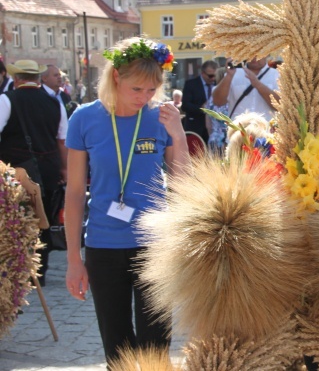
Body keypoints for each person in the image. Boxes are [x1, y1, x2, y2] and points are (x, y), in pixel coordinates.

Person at [64, 37, 189, 366]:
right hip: (104, 245)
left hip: (154, 244)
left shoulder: (161, 117)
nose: (145, 98)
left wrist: (177, 134)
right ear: (116, 77)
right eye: (137, 90)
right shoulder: (84, 119)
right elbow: (75, 193)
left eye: (151, 90)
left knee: (155, 344)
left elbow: (184, 183)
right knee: (116, 345)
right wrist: (74, 260)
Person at [0, 60, 68, 286]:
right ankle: (40, 271)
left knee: (17, 221)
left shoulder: (6, 100)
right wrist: (64, 169)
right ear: (38, 79)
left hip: (16, 171)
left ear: (17, 79)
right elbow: (62, 141)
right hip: (48, 171)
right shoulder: (54, 103)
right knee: (43, 220)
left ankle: (19, 270)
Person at [212, 56, 279, 121]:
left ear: (267, 53)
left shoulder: (277, 75)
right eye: (251, 52)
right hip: (238, 130)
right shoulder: (233, 73)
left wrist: (257, 84)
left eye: (258, 52)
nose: (254, 57)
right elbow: (218, 102)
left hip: (266, 130)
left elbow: (280, 105)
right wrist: (229, 75)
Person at [182, 60, 218, 143]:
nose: (213, 78)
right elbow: (185, 105)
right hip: (196, 127)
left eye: (215, 76)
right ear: (203, 73)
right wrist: (201, 109)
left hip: (215, 127)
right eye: (210, 76)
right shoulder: (191, 84)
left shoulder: (218, 84)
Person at [206, 67, 228, 155]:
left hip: (214, 139)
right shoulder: (231, 95)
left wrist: (212, 135)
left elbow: (208, 124)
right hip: (229, 139)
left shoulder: (212, 97)